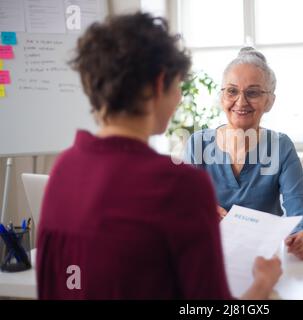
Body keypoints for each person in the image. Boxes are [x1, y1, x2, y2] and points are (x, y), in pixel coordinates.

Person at [36, 13, 281, 299]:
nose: (178, 98)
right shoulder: (180, 186)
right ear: (159, 84)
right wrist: (263, 283)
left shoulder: (64, 168)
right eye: (177, 85)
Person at [185, 47, 303, 260]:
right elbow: (183, 207)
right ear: (222, 97)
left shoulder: (281, 146)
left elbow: (300, 205)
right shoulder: (198, 143)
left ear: (270, 101)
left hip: (263, 259)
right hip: (210, 256)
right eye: (232, 91)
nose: (241, 102)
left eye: (253, 92)